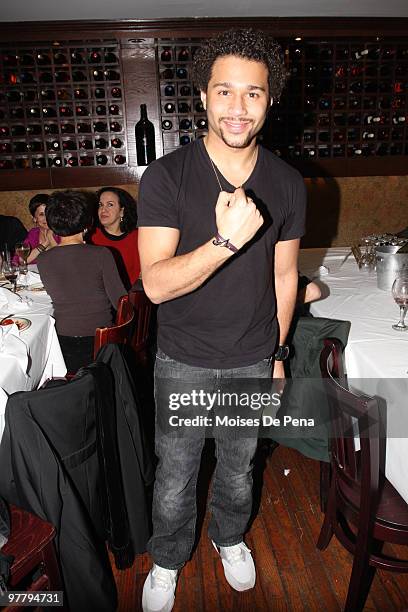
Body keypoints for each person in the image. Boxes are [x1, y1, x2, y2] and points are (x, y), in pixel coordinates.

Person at [138, 28, 306, 612]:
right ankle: (166, 559)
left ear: (269, 100)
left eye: (253, 94)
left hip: (252, 357)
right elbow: (155, 285)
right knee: (175, 477)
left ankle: (229, 538)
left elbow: (285, 278)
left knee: (238, 472)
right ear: (204, 98)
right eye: (225, 92)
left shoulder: (286, 182)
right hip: (182, 359)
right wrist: (223, 242)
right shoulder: (165, 176)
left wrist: (279, 354)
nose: (238, 108)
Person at [37, 190, 126, 372]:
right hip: (101, 344)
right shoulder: (101, 254)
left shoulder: (43, 259)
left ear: (52, 224)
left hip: (63, 345)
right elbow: (121, 301)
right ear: (88, 223)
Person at [88, 187, 140, 289]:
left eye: (110, 205)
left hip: (130, 298)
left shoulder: (137, 237)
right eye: (100, 205)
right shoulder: (90, 236)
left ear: (122, 211)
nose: (103, 209)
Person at [16, 194, 60, 264]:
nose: (46, 218)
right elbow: (21, 260)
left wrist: (51, 239)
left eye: (48, 213)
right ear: (34, 218)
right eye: (41, 214)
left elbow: (64, 259)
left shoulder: (62, 232)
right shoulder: (33, 233)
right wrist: (45, 244)